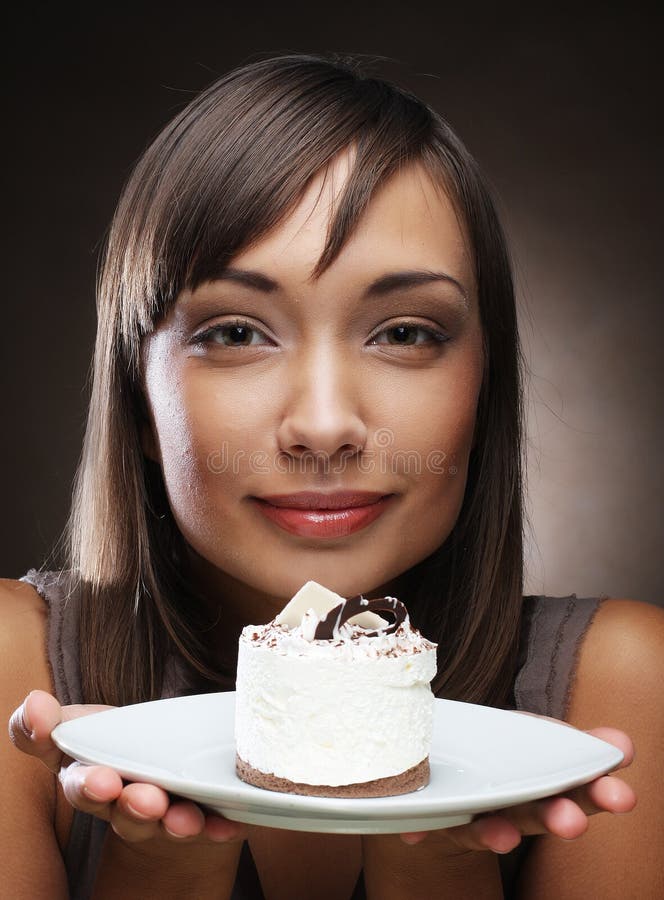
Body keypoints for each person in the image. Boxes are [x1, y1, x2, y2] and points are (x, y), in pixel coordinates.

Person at [2, 51, 662, 900]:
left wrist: (439, 869)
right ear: (137, 399)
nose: (323, 426)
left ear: (483, 386)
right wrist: (163, 865)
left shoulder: (616, 684)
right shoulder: (17, 669)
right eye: (237, 333)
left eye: (404, 333)